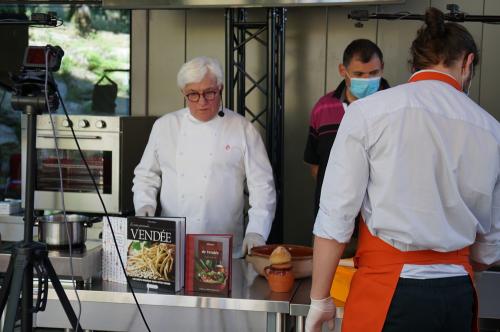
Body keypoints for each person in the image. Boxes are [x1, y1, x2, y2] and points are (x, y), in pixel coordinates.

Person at [306, 7, 500, 332]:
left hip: (390, 291)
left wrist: (319, 299)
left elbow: (335, 218)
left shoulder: (368, 113)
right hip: (459, 295)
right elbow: (489, 247)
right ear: (467, 63)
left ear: (414, 64)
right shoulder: (492, 130)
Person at [132, 56, 276, 258]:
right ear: (183, 93)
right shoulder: (165, 126)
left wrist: (256, 231)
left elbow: (262, 186)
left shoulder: (242, 128)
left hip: (224, 248)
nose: (202, 102)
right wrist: (144, 203)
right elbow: (146, 175)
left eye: (209, 93)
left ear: (221, 89)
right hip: (171, 246)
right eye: (193, 94)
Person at [304, 39, 390, 218]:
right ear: (343, 70)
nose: (367, 80)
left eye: (374, 73)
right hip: (332, 218)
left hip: (381, 222)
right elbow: (315, 165)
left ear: (382, 67)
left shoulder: (397, 108)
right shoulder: (323, 108)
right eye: (359, 74)